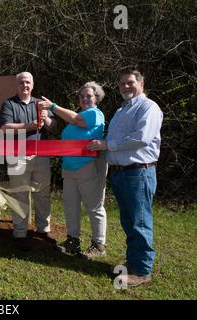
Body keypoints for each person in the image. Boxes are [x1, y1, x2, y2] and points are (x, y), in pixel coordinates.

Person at [88, 70, 163, 287]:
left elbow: (141, 138)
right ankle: (133, 262)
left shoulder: (148, 107)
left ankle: (141, 271)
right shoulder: (122, 110)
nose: (125, 86)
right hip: (121, 172)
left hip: (138, 172)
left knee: (139, 222)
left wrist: (106, 145)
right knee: (129, 221)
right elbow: (113, 139)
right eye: (121, 83)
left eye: (129, 82)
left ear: (141, 83)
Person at [38, 82, 108, 259]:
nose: (84, 99)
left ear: (96, 98)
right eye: (81, 96)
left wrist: (53, 106)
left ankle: (98, 245)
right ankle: (72, 240)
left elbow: (77, 120)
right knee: (71, 207)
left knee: (94, 207)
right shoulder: (77, 115)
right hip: (69, 168)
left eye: (89, 96)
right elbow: (74, 121)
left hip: (88, 167)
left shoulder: (95, 114)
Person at [0, 71, 57, 251]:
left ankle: (43, 229)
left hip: (41, 155)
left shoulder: (41, 103)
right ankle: (20, 231)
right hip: (18, 155)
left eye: (28, 82)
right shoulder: (8, 104)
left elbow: (53, 127)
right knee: (20, 193)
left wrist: (46, 117)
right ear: (17, 85)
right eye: (22, 82)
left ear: (33, 84)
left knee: (42, 193)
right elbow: (5, 128)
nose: (25, 85)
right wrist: (28, 126)